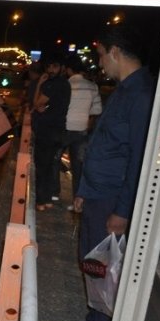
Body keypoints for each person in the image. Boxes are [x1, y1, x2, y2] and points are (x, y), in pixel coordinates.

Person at [58, 24, 154, 321]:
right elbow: (102, 144)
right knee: (94, 265)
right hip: (97, 194)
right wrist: (83, 191)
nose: (99, 62)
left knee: (108, 271)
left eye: (100, 55)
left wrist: (123, 211)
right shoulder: (124, 89)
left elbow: (138, 158)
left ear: (115, 52)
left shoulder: (142, 94)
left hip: (113, 199)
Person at [62, 56, 103, 210]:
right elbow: (97, 110)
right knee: (78, 168)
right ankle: (77, 202)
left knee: (53, 161)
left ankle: (51, 196)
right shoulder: (92, 87)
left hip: (64, 129)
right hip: (81, 131)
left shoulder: (65, 85)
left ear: (69, 70)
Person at [32, 52, 71, 211]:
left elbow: (37, 103)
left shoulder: (50, 84)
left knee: (42, 166)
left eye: (55, 66)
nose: (51, 69)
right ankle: (48, 200)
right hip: (59, 130)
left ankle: (41, 202)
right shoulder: (66, 84)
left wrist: (39, 85)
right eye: (49, 66)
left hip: (46, 131)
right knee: (50, 166)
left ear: (61, 67)